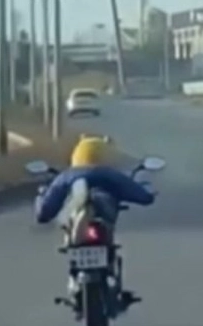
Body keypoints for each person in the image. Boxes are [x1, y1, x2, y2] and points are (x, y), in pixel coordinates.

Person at [33, 134, 157, 315]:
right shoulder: (110, 174)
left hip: (78, 225)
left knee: (69, 221)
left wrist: (41, 194)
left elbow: (43, 213)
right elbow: (143, 197)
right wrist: (146, 191)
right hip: (103, 219)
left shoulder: (67, 176)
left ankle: (78, 221)